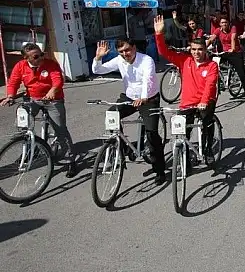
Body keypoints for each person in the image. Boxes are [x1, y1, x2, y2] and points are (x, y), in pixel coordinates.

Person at [92, 39, 165, 183]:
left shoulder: (146, 60)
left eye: (127, 50)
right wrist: (98, 58)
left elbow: (148, 80)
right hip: (129, 97)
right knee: (111, 113)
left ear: (134, 47)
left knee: (152, 135)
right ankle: (123, 148)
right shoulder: (119, 60)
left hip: (149, 98)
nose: (125, 54)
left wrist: (143, 98)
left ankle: (160, 170)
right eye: (121, 52)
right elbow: (98, 70)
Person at [1, 43, 77, 177]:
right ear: (26, 58)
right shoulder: (21, 66)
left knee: (60, 129)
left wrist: (53, 91)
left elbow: (57, 80)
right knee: (23, 123)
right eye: (36, 56)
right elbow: (13, 82)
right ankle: (31, 148)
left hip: (52, 99)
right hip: (32, 99)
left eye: (41, 54)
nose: (41, 58)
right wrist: (10, 96)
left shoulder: (50, 64)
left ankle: (71, 160)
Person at [154, 15, 218, 167]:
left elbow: (210, 84)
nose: (197, 52)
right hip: (187, 102)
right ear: (190, 49)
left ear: (205, 50)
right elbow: (164, 52)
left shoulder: (211, 66)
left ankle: (208, 150)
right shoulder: (184, 61)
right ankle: (186, 159)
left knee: (206, 123)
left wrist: (203, 101)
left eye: (200, 49)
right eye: (194, 49)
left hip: (205, 101)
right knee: (183, 131)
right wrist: (159, 35)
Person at [208, 16, 245, 98]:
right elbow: (211, 39)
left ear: (228, 23)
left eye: (225, 22)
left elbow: (233, 38)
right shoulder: (218, 30)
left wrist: (233, 48)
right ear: (220, 24)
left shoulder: (233, 28)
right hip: (225, 52)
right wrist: (204, 48)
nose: (224, 24)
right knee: (211, 61)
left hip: (235, 52)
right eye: (222, 23)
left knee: (241, 73)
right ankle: (219, 81)